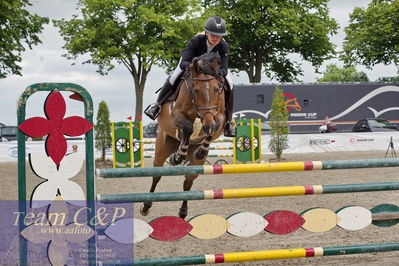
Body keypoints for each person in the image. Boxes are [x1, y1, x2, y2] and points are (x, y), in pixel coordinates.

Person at [144, 16, 235, 137]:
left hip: (212, 71)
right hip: (192, 65)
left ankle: (229, 121)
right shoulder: (196, 41)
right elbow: (183, 63)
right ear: (206, 33)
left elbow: (224, 68)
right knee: (173, 77)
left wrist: (215, 73)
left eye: (218, 36)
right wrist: (196, 65)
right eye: (213, 35)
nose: (215, 38)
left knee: (231, 84)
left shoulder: (223, 46)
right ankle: (157, 105)